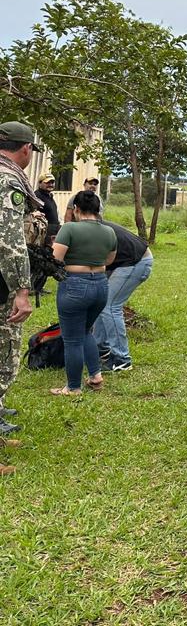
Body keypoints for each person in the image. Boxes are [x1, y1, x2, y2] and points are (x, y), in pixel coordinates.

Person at [0, 121, 43, 469]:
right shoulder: (8, 180)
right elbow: (9, 241)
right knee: (4, 360)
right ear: (25, 149)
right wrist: (21, 290)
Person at [49, 191, 117, 397]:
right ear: (98, 210)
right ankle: (95, 376)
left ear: (76, 209)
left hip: (74, 285)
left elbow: (56, 259)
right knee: (86, 330)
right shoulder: (110, 232)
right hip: (100, 285)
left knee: (72, 339)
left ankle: (73, 387)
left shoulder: (69, 228)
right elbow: (110, 261)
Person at [94, 220, 154, 372]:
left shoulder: (90, 230)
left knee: (110, 305)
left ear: (76, 210)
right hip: (125, 262)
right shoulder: (92, 225)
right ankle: (101, 348)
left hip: (136, 262)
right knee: (102, 303)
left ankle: (121, 359)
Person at [35, 173, 61, 243]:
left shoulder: (50, 196)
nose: (51, 185)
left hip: (54, 230)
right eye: (47, 182)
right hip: (44, 231)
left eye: (52, 182)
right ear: (40, 183)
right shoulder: (36, 196)